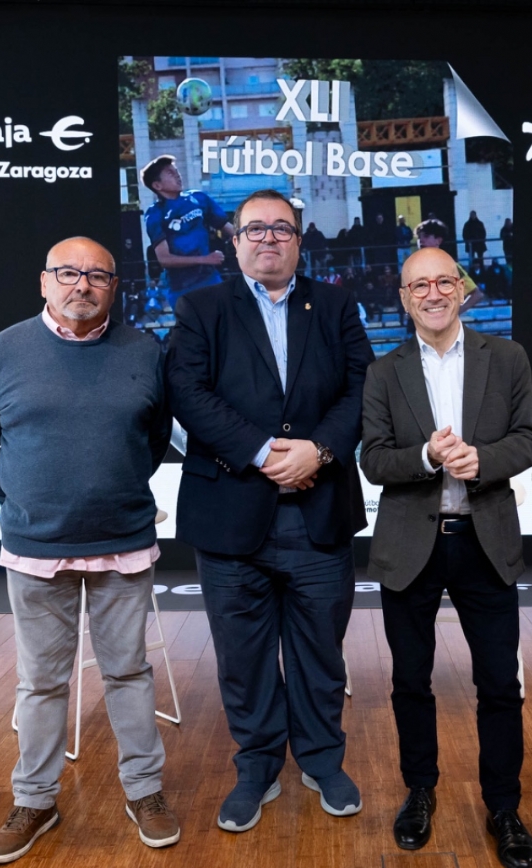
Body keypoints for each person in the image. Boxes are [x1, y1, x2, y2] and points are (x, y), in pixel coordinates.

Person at [0, 237, 177, 864]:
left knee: (129, 674)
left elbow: (155, 437)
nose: (82, 284)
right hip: (35, 550)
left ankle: (146, 792)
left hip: (123, 544)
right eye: (68, 273)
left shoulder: (144, 351)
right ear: (44, 281)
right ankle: (35, 800)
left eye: (97, 276)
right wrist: (27, 501)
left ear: (114, 286)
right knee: (42, 682)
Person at [164, 189, 374, 834]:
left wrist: (322, 449)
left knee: (320, 652)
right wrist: (261, 452)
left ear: (298, 239)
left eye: (281, 229)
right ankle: (256, 767)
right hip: (232, 516)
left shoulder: (334, 303)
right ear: (234, 241)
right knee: (243, 655)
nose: (268, 239)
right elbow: (188, 393)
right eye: (255, 229)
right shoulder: (201, 308)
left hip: (318, 510)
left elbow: (364, 384)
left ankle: (321, 759)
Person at [360, 247, 532, 868]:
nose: (433, 293)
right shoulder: (384, 371)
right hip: (411, 544)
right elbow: (374, 460)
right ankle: (420, 791)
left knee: (499, 684)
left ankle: (504, 808)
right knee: (410, 681)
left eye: (444, 280)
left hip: (485, 540)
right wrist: (427, 458)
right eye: (419, 285)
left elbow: (529, 438)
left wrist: (482, 461)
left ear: (463, 289)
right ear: (405, 297)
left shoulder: (509, 358)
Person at [140, 154, 235, 309]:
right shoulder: (155, 214)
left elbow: (228, 228)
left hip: (210, 280)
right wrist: (205, 259)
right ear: (157, 186)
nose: (177, 174)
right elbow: (165, 259)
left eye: (176, 170)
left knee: (226, 327)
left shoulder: (198, 198)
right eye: (170, 173)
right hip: (182, 290)